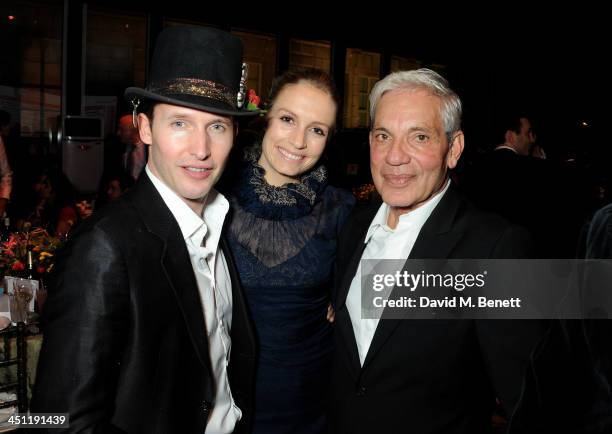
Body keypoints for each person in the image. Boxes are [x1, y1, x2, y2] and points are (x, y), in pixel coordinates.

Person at [31, 26, 257, 434]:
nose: (201, 148)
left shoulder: (218, 224)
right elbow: (55, 420)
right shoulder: (103, 245)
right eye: (180, 124)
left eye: (218, 126)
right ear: (145, 128)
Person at [329, 69, 549, 434]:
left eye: (418, 137)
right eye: (383, 136)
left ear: (454, 149)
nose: (394, 157)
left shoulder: (495, 249)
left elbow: (529, 403)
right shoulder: (353, 228)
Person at [223, 67, 354, 434]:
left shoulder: (342, 211)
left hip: (309, 404)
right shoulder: (213, 195)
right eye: (287, 119)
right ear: (266, 119)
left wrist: (346, 297)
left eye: (317, 130)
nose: (299, 141)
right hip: (223, 401)